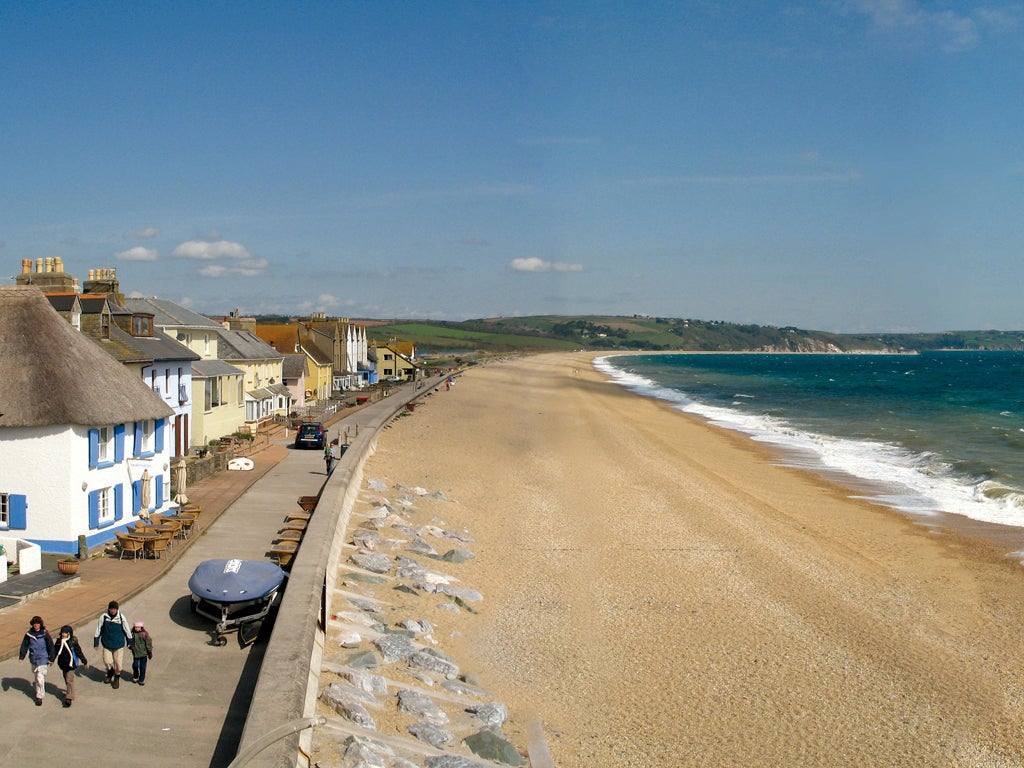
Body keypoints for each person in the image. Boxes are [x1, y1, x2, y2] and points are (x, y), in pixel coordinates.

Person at [93, 600, 131, 689]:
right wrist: (96, 642)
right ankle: (110, 672)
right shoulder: (104, 617)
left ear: (117, 609)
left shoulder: (121, 617)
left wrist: (130, 642)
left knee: (118, 664)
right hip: (107, 644)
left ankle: (116, 678)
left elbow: (127, 630)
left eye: (114, 609)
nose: (112, 611)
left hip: (118, 645)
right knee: (107, 661)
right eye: (111, 609)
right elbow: (98, 629)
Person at [18, 615, 55, 706]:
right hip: (33, 658)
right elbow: (24, 645)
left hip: (43, 658)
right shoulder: (29, 635)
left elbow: (51, 646)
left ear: (40, 624)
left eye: (37, 623)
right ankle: (38, 691)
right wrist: (21, 657)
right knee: (36, 676)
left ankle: (40, 697)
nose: (36, 625)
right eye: (34, 624)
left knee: (40, 678)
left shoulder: (45, 634)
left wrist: (51, 658)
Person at [53, 624, 88, 707]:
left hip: (71, 664)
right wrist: (51, 660)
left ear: (69, 633)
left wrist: (84, 661)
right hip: (63, 664)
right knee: (66, 679)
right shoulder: (59, 642)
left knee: (69, 680)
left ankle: (69, 698)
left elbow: (78, 652)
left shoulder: (73, 642)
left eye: (65, 633)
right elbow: (55, 652)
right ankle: (70, 691)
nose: (63, 634)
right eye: (62, 633)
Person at [129, 620, 153, 685]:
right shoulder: (132, 634)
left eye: (138, 627)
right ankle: (136, 675)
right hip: (136, 653)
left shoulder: (144, 634)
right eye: (135, 627)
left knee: (142, 667)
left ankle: (141, 679)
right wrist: (130, 646)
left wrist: (150, 651)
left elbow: (148, 643)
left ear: (141, 628)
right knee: (135, 665)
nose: (137, 628)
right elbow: (129, 641)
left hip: (143, 653)